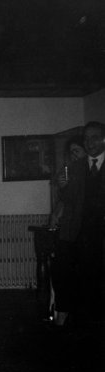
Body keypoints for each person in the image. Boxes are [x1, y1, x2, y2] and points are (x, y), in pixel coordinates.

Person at [51, 121, 105, 327]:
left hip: (100, 234)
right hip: (77, 232)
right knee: (65, 271)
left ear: (103, 139)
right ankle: (68, 316)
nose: (89, 142)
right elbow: (68, 200)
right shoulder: (73, 167)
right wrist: (63, 188)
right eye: (86, 138)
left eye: (94, 137)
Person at [49, 136, 86, 229]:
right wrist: (55, 214)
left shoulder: (91, 171)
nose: (74, 155)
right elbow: (64, 199)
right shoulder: (69, 171)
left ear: (86, 151)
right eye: (71, 152)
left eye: (76, 151)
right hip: (71, 220)